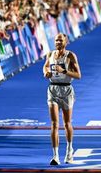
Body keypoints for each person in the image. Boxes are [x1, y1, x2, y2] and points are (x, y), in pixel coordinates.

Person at [43, 33, 81, 165]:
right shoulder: (50, 54)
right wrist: (45, 72)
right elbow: (46, 65)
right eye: (56, 40)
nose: (58, 42)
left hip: (66, 90)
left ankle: (69, 151)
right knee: (54, 124)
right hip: (52, 89)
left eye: (60, 40)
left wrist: (64, 71)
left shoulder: (70, 56)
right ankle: (55, 156)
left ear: (66, 42)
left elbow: (78, 75)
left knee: (66, 123)